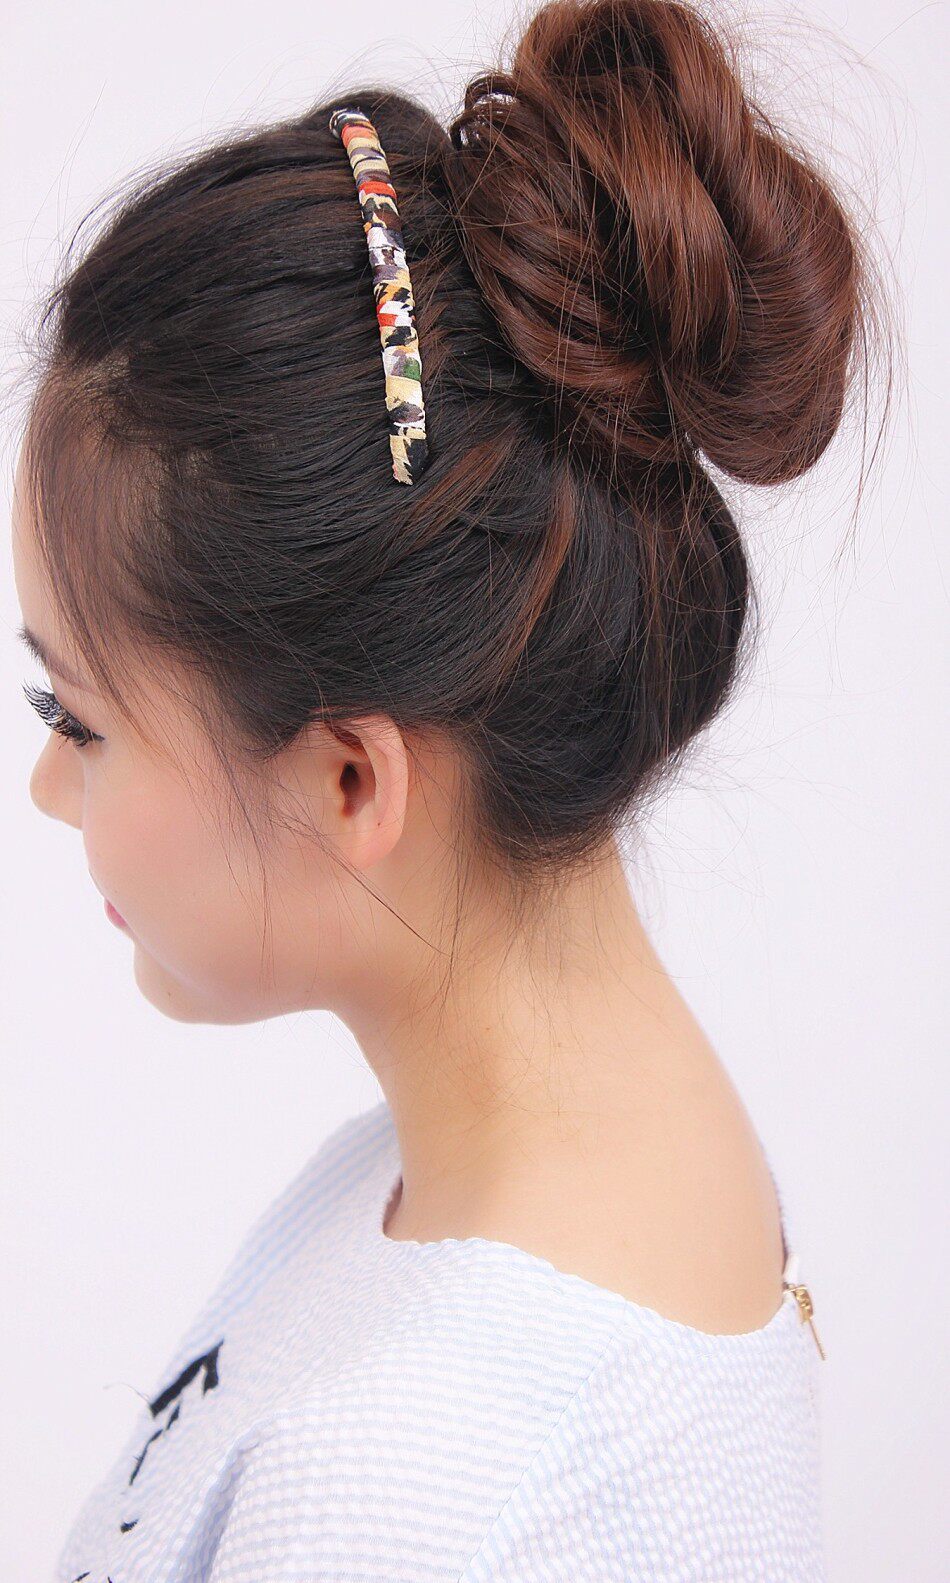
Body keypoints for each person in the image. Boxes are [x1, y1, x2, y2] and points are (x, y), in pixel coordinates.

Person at [11, 0, 874, 1576]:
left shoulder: (415, 1489)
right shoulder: (589, 1178)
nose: (47, 790)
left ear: (349, 778)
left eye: (77, 716)